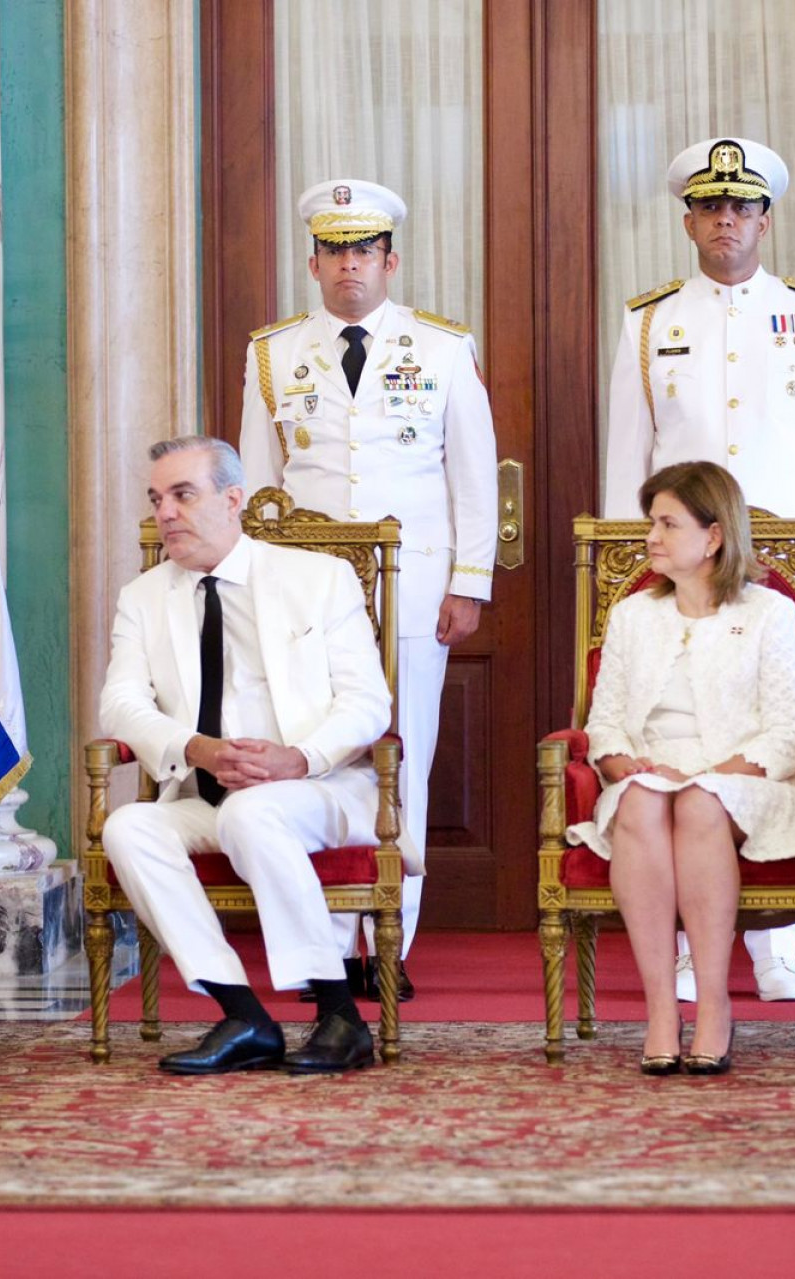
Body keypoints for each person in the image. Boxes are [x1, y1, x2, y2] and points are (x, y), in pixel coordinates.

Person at [602, 137, 795, 1007]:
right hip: (683, 558)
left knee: (784, 734)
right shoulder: (649, 321)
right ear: (688, 221)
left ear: (765, 219)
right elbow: (626, 458)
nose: (726, 219)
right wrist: (629, 570)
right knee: (684, 726)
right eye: (710, 207)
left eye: (742, 206)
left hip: (794, 561)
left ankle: (777, 946)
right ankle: (694, 947)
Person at [239, 179, 498, 1002]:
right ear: (312, 262)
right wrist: (255, 589)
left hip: (413, 590)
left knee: (402, 759)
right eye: (334, 250)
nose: (349, 264)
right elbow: (259, 491)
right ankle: (322, 948)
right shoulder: (273, 354)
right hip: (305, 598)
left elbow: (473, 477)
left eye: (364, 250)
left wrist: (470, 581)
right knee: (312, 757)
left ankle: (386, 942)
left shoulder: (443, 348)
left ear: (390, 260)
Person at [101, 435, 394, 1075]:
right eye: (156, 499)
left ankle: (340, 1016)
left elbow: (369, 703)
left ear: (232, 500)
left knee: (252, 813)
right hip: (205, 793)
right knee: (128, 826)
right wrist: (195, 748)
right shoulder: (142, 598)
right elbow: (119, 705)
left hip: (317, 791)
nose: (165, 513)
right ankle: (243, 1015)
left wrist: (300, 758)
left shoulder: (318, 579)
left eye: (183, 495)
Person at [568, 462, 795, 1074]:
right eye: (651, 522)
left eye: (667, 524)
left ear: (713, 536)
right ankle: (662, 1011)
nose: (651, 537)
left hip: (751, 781)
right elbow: (604, 721)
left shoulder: (768, 612)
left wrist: (713, 773)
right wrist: (622, 762)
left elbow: (791, 733)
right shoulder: (634, 615)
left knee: (701, 802)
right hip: (650, 776)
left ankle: (713, 1005)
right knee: (641, 801)